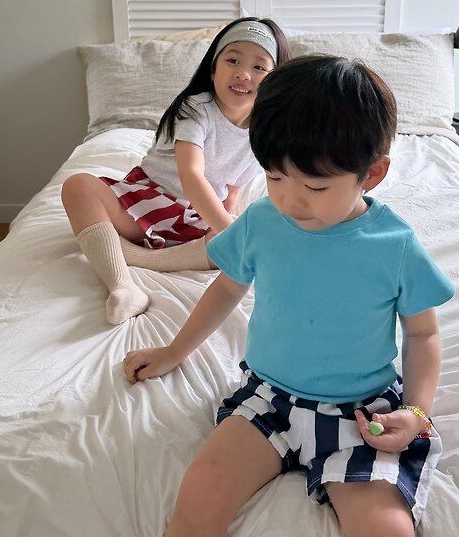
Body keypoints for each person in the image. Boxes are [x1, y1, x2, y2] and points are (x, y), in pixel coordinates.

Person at [123, 55, 456, 537]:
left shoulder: (394, 246)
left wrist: (418, 412)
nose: (289, 199)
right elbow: (226, 288)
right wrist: (174, 352)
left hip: (360, 413)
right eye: (274, 177)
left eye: (314, 186)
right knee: (199, 495)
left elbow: (423, 337)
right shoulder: (262, 220)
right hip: (269, 399)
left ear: (372, 174)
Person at [61, 17, 291, 325]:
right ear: (213, 69)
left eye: (259, 67)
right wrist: (230, 232)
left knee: (244, 232)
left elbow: (232, 192)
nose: (243, 73)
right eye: (232, 60)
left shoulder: (263, 132)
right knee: (78, 186)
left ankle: (139, 257)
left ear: (275, 80)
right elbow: (190, 174)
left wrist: (226, 231)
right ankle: (123, 286)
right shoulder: (196, 108)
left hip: (193, 219)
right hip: (144, 204)